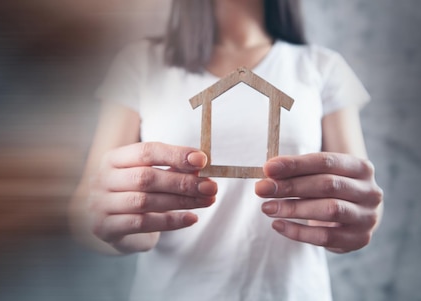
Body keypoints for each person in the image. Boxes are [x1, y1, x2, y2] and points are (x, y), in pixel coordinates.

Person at [70, 0, 384, 300]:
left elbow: (361, 198)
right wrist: (120, 227)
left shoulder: (322, 67)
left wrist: (349, 219)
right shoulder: (140, 62)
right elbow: (89, 206)